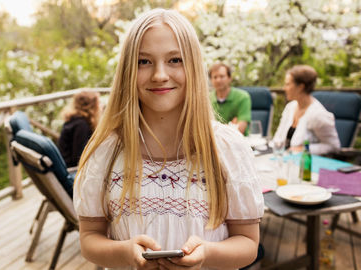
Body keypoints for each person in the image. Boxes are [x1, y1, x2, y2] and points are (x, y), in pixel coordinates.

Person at [74, 9, 263, 270]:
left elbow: (248, 243)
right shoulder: (106, 151)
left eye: (175, 60)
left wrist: (206, 254)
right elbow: (89, 239)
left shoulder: (227, 148)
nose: (160, 75)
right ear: (127, 70)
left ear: (194, 67)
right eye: (144, 62)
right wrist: (123, 252)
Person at [273, 65, 340, 155]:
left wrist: (304, 149)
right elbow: (278, 138)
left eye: (288, 84)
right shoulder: (290, 107)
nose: (284, 88)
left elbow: (333, 147)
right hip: (283, 161)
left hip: (305, 165)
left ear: (301, 87)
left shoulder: (318, 114)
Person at [58, 90, 101, 167]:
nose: (101, 106)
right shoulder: (81, 125)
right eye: (99, 103)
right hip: (73, 170)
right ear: (92, 106)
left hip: (66, 166)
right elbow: (78, 157)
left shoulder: (73, 120)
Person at [209, 63, 252, 135]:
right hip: (214, 144)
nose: (218, 80)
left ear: (230, 78)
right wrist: (231, 126)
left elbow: (240, 130)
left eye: (222, 76)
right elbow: (205, 130)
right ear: (211, 80)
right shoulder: (207, 99)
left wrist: (216, 128)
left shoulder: (243, 97)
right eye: (215, 77)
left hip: (239, 143)